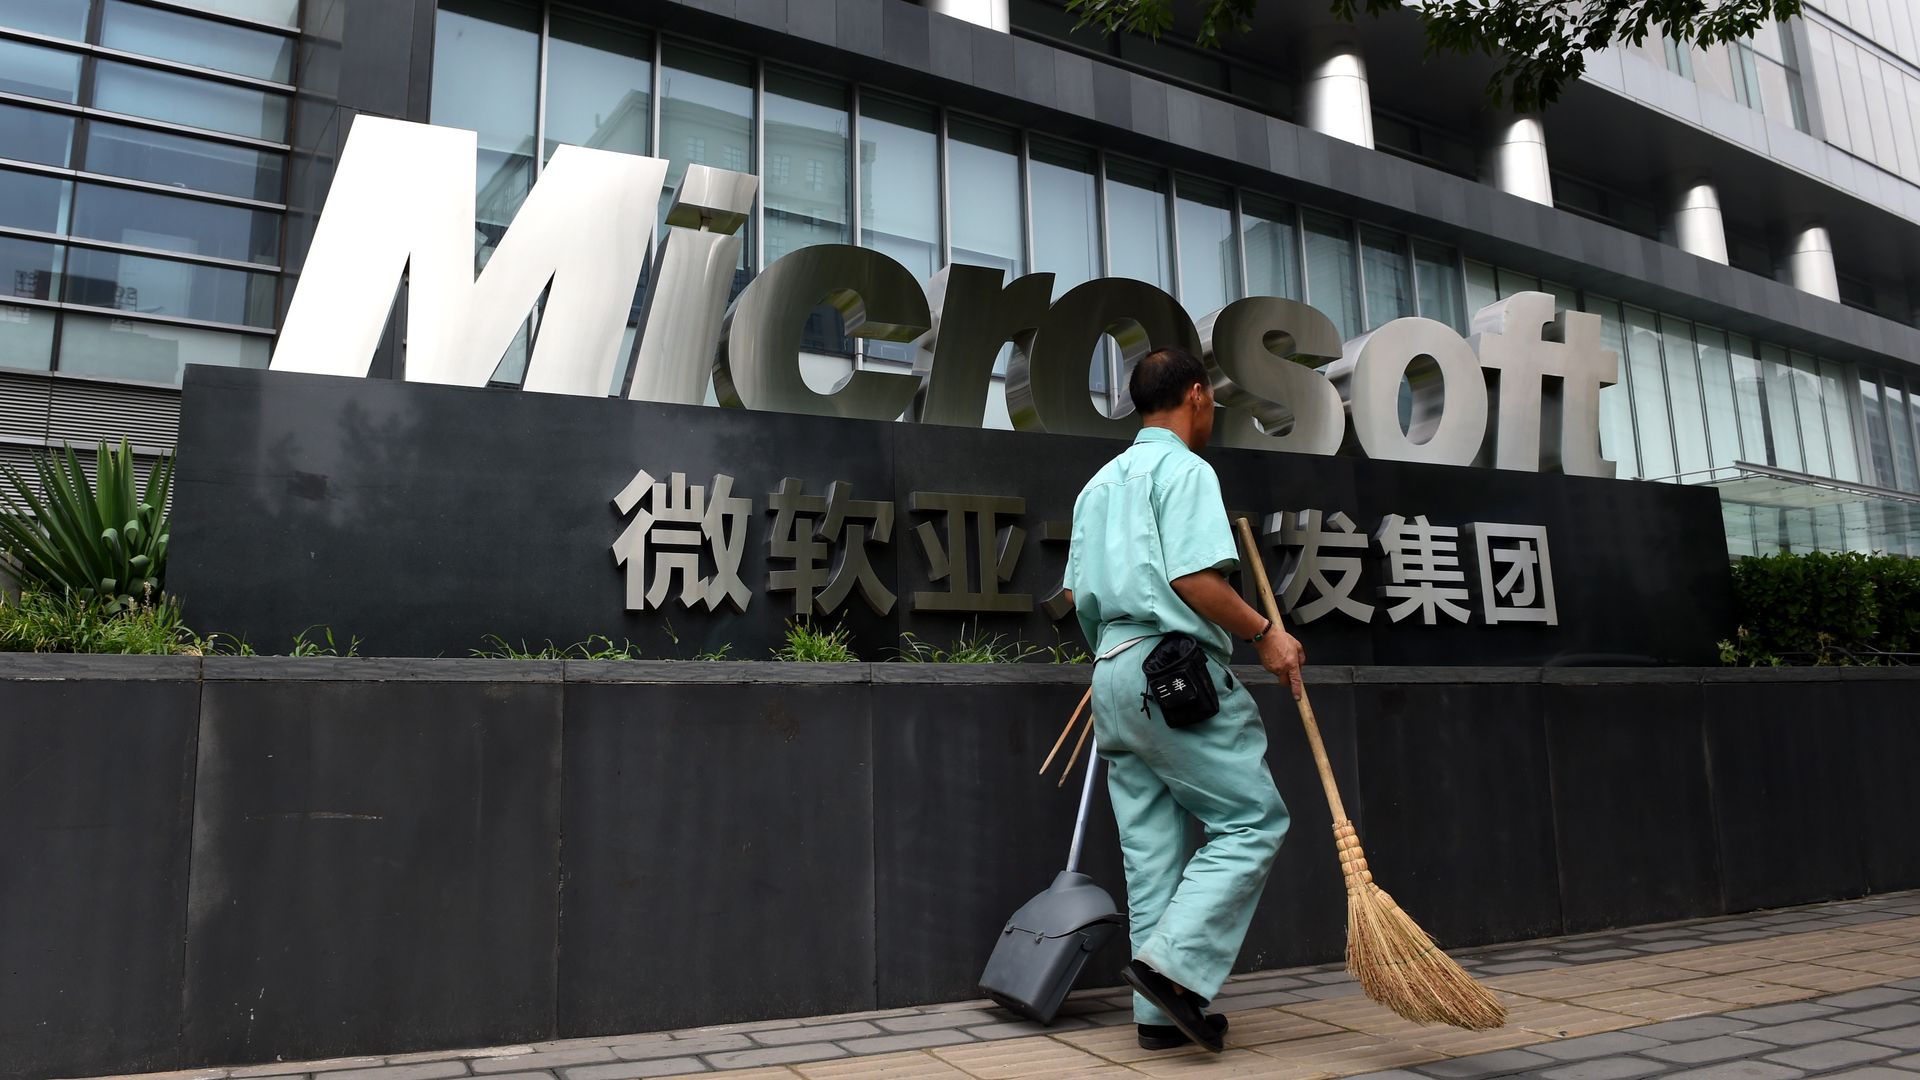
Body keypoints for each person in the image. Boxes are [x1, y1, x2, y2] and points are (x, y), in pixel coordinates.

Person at [1061, 344, 1304, 1054]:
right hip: (1173, 672)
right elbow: (1192, 581)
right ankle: (1171, 972)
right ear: (1196, 395)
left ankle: (1160, 1021)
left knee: (1152, 850)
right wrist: (1266, 634)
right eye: (1212, 403)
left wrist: (1116, 653)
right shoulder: (1186, 469)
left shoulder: (1099, 484)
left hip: (1113, 668)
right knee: (1251, 820)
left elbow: (1078, 596)